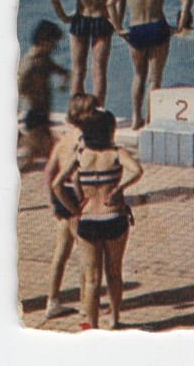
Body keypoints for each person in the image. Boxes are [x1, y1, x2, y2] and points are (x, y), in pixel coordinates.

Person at [56, 107, 143, 331]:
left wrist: (74, 209)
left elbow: (57, 184)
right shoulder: (115, 153)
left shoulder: (81, 154)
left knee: (92, 279)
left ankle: (92, 327)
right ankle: (114, 320)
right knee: (114, 272)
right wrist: (118, 189)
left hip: (89, 221)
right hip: (114, 217)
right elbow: (137, 170)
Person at [109, 0, 192, 130]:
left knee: (138, 75)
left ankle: (136, 117)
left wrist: (118, 28)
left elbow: (110, 2)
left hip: (136, 30)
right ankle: (150, 118)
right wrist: (180, 26)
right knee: (154, 79)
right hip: (156, 28)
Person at [40, 90, 97, 321]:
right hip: (74, 198)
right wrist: (82, 203)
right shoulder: (82, 141)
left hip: (60, 198)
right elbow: (75, 176)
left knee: (61, 253)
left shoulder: (64, 138)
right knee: (87, 255)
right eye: (93, 111)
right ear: (85, 115)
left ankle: (52, 301)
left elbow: (48, 173)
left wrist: (53, 202)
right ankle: (86, 303)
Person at [18, 20, 67, 173]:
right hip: (33, 109)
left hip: (42, 109)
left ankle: (31, 163)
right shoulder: (30, 62)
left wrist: (63, 79)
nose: (54, 48)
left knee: (38, 147)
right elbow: (19, 84)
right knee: (43, 146)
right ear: (44, 41)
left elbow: (58, 69)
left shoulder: (44, 58)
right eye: (53, 43)